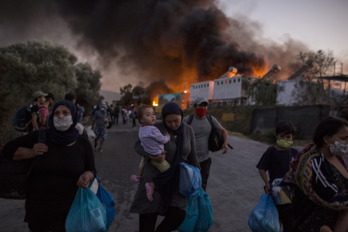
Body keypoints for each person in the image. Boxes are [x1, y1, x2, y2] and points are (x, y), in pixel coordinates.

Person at [2, 100, 96, 232]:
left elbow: (91, 170)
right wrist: (31, 152)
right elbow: (8, 149)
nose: (61, 116)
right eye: (57, 113)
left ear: (74, 115)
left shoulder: (83, 144)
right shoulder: (41, 137)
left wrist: (87, 175)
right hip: (38, 208)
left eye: (65, 112)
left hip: (70, 208)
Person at [130, 102, 200, 232]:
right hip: (153, 179)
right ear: (164, 119)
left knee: (178, 215)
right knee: (147, 222)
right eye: (169, 122)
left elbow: (193, 157)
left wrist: (198, 182)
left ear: (181, 116)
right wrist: (152, 156)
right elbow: (138, 145)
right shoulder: (156, 127)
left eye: (176, 121)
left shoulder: (188, 130)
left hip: (176, 181)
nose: (173, 125)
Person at [283, 116, 348, 232]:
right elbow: (333, 197)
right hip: (315, 225)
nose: (347, 142)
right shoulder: (314, 163)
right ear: (327, 139)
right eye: (344, 138)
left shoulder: (338, 158)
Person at [256, 120, 298, 232]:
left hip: (291, 192)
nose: (285, 139)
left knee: (289, 220)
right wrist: (267, 183)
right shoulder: (271, 151)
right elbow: (262, 168)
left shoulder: (295, 153)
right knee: (275, 218)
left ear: (293, 137)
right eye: (282, 136)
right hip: (275, 191)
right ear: (277, 136)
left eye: (288, 137)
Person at [182, 96, 228, 191]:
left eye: (205, 106)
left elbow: (224, 131)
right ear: (195, 106)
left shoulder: (210, 119)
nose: (203, 108)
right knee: (188, 186)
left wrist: (225, 143)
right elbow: (176, 131)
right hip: (188, 160)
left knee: (202, 187)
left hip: (205, 161)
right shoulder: (187, 120)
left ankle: (200, 205)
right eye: (200, 105)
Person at [130, 104, 171, 202]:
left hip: (148, 153)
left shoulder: (142, 129)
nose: (152, 116)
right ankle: (152, 185)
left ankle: (138, 175)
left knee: (143, 161)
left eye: (153, 114)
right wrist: (167, 137)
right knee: (168, 172)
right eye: (148, 115)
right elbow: (162, 140)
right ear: (141, 119)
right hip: (157, 155)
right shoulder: (153, 129)